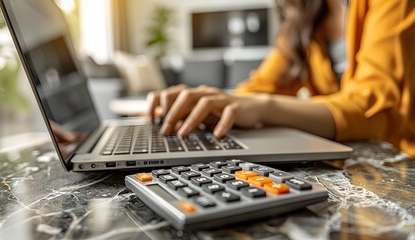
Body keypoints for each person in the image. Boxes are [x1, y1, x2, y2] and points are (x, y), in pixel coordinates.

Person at [147, 0, 415, 158]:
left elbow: (375, 111)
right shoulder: (305, 14)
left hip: (400, 160)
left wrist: (264, 106)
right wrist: (210, 103)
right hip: (347, 157)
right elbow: (259, 87)